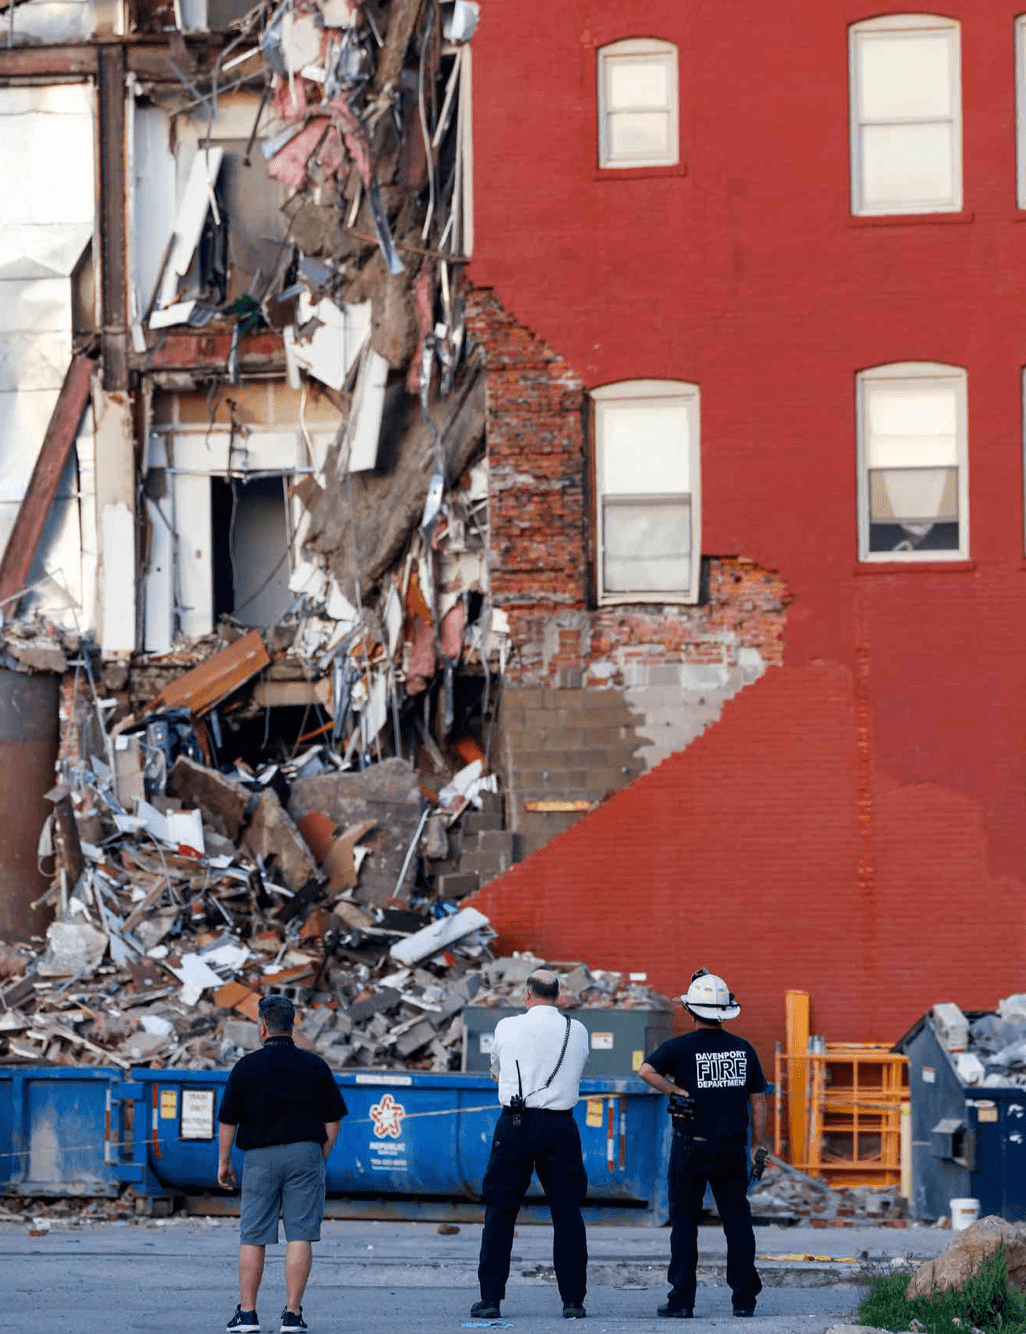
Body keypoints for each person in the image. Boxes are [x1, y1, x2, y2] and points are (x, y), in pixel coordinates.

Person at [638, 968, 767, 1320]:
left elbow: (645, 1071)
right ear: (725, 1011)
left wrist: (675, 1090)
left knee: (684, 1225)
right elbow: (758, 1099)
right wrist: (758, 1144)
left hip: (690, 1148)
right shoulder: (743, 1049)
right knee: (737, 1223)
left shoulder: (678, 1048)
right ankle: (744, 1300)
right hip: (731, 1149)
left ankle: (681, 1300)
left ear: (691, 1010)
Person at [217, 994, 347, 1334]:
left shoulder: (245, 1067)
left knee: (254, 1235)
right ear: (292, 1026)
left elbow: (228, 1120)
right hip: (305, 1153)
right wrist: (320, 1155)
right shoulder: (314, 1065)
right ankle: (292, 1315)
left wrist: (224, 1162)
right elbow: (333, 1120)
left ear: (261, 1027)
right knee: (300, 1234)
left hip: (259, 1158)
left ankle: (247, 1315)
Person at [472, 969, 591, 1320]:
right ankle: (573, 1301)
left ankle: (491, 1300)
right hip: (560, 1127)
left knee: (500, 1213)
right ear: (559, 996)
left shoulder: (507, 1027)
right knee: (568, 1215)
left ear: (527, 995)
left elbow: (496, 1066)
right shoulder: (577, 1029)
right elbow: (577, 1065)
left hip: (515, 1125)